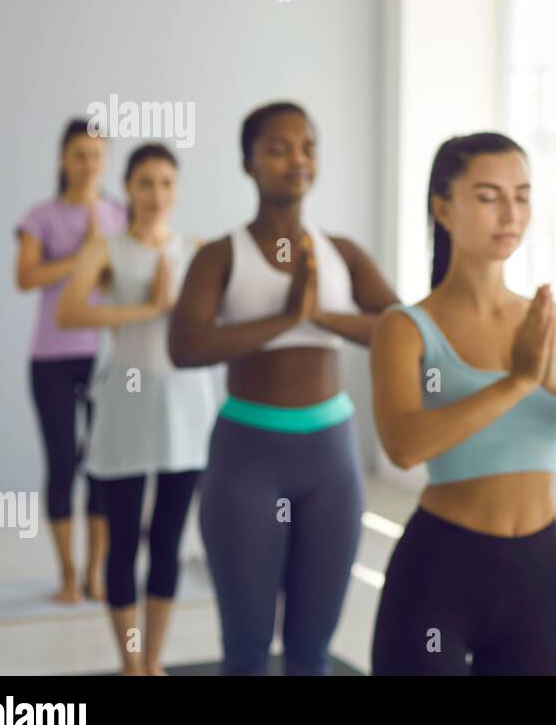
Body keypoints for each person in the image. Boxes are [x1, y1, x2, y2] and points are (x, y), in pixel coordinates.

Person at [369, 132, 556, 675]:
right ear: (443, 207)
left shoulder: (555, 324)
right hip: (439, 566)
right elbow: (404, 447)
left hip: (536, 569)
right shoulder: (406, 328)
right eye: (487, 196)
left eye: (522, 195)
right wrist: (517, 381)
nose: (510, 212)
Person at [169, 101, 399, 675]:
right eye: (277, 148)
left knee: (311, 650)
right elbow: (185, 346)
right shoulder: (220, 256)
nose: (296, 160)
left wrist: (320, 316)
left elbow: (403, 331)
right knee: (247, 649)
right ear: (248, 163)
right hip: (248, 457)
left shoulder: (342, 253)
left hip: (332, 460)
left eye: (307, 147)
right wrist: (283, 318)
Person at [56, 142, 215, 675]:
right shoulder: (105, 248)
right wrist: (150, 307)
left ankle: (154, 660)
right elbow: (70, 311)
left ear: (178, 189)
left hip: (185, 410)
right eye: (145, 183)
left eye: (167, 183)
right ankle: (129, 662)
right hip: (125, 406)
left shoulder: (194, 250)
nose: (156, 195)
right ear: (127, 187)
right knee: (122, 542)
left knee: (167, 542)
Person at [15, 118, 126, 603]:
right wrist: (83, 255)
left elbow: (125, 278)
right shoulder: (40, 217)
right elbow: (26, 277)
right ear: (63, 159)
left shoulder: (120, 216)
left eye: (97, 155)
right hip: (52, 359)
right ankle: (66, 575)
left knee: (100, 466)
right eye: (80, 154)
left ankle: (95, 573)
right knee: (62, 463)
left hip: (106, 359)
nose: (88, 164)